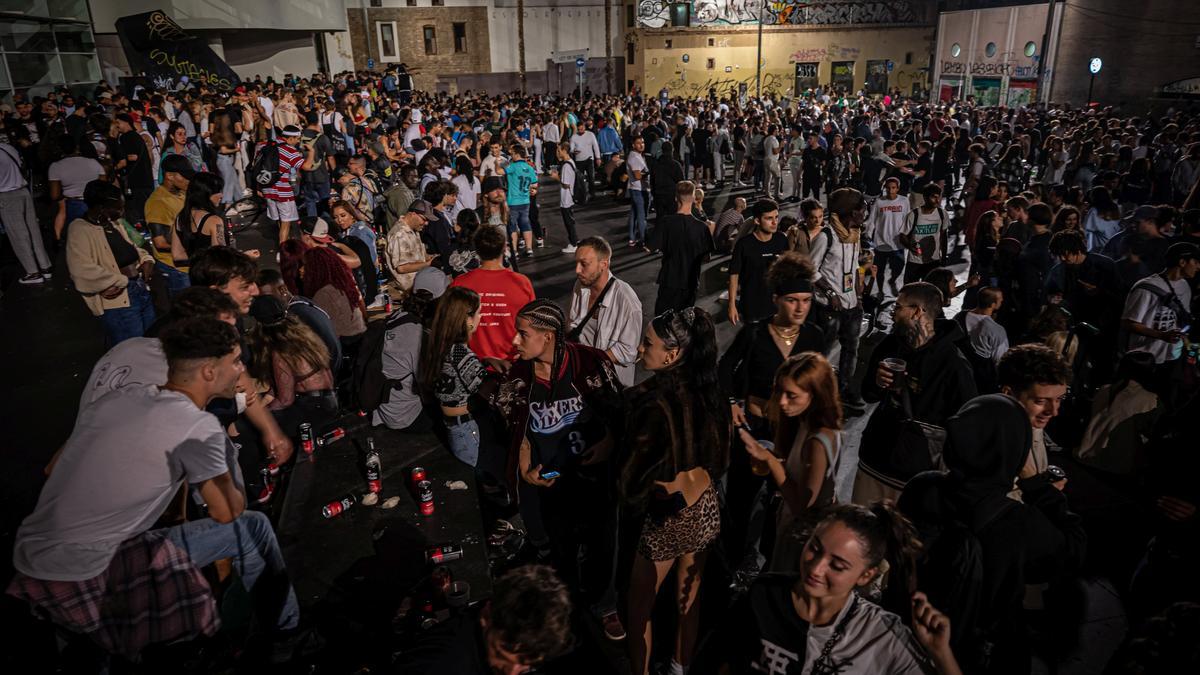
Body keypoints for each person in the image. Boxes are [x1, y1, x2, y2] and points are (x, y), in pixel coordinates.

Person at [11, 318, 304, 660]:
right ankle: (289, 639)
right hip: (86, 573)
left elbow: (54, 467)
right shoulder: (198, 427)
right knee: (252, 528)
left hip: (31, 560)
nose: (242, 371)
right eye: (236, 362)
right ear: (209, 372)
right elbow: (227, 512)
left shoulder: (122, 398)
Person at [899, 395, 1086, 675]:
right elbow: (1073, 550)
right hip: (980, 651)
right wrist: (1038, 486)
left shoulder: (922, 488)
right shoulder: (1019, 523)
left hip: (911, 629)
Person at [492, 300, 625, 642]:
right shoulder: (519, 376)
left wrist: (609, 441)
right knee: (561, 554)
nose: (515, 342)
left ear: (548, 337)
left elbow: (618, 409)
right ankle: (567, 612)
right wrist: (524, 468)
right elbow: (518, 429)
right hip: (552, 487)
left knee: (602, 546)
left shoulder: (589, 362)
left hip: (595, 482)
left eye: (523, 334)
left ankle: (605, 605)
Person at [714, 503, 964, 675]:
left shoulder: (880, 634)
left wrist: (941, 654)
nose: (816, 569)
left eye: (837, 565)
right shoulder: (764, 594)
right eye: (814, 548)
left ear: (866, 575)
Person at [622, 307, 730, 675]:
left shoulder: (653, 404)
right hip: (704, 505)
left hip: (667, 516)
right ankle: (680, 666)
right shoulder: (710, 386)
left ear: (671, 354)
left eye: (647, 343)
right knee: (690, 600)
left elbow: (633, 480)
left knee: (638, 610)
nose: (639, 349)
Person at [854, 282, 977, 503]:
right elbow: (868, 394)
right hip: (875, 459)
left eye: (898, 307)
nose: (892, 313)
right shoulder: (890, 345)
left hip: (916, 474)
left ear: (918, 311)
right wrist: (876, 381)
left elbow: (965, 424)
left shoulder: (953, 364)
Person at [740, 352, 844, 572]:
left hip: (806, 539)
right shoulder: (804, 423)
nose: (782, 401)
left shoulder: (818, 441)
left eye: (792, 395)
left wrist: (771, 462)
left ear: (815, 395)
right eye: (779, 391)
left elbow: (802, 506)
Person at [393, 564, 574, 674]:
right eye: (501, 654)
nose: (511, 672)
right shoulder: (438, 665)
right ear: (487, 615)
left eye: (525, 665)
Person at [65, 181, 156, 345]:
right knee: (131, 350)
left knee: (150, 344)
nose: (121, 212)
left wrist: (147, 260)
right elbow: (81, 271)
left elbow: (134, 248)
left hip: (140, 289)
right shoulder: (79, 229)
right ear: (101, 208)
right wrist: (122, 281)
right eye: (118, 208)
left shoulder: (114, 223)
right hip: (119, 300)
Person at [809, 187, 868, 410]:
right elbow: (811, 270)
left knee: (851, 349)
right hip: (829, 308)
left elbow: (853, 267)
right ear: (852, 212)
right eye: (862, 210)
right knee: (822, 352)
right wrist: (831, 293)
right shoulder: (826, 236)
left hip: (852, 304)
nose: (865, 213)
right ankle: (818, 393)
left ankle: (844, 390)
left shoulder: (854, 235)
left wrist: (859, 296)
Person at [246, 295, 336, 437]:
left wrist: (262, 414)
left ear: (259, 326)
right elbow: (280, 387)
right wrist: (264, 402)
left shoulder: (280, 353)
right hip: (330, 401)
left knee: (258, 428)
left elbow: (285, 400)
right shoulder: (305, 336)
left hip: (313, 408)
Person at [420, 286, 486, 466]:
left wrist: (484, 361)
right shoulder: (462, 354)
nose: (481, 318)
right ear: (468, 321)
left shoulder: (440, 344)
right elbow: (486, 390)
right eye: (479, 313)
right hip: (466, 429)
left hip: (451, 425)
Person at [450, 223, 536, 362]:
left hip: (473, 364)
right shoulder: (521, 283)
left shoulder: (460, 283)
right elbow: (533, 325)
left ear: (476, 250)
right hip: (513, 361)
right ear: (504, 248)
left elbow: (451, 327)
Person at [996, 344, 1072, 500]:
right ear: (1008, 394)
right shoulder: (988, 442)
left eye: (1059, 399)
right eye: (1040, 401)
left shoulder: (1030, 423)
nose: (1054, 411)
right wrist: (1044, 495)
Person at [1120, 241, 1198, 370]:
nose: (1198, 267)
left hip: (1173, 356)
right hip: (1145, 358)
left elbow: (1182, 320)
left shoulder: (1185, 286)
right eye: (1195, 262)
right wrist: (1161, 335)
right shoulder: (1146, 288)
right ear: (1182, 262)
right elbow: (1128, 323)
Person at [257, 268, 341, 371]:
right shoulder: (301, 302)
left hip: (327, 374)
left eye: (267, 298)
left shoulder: (296, 315)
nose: (263, 305)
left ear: (283, 289)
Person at [655, 181, 715, 315]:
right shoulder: (702, 228)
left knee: (662, 322)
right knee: (684, 323)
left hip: (669, 279)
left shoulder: (666, 222)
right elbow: (706, 258)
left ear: (676, 197)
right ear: (694, 198)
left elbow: (655, 247)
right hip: (690, 281)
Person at [730, 198, 789, 325]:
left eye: (776, 217)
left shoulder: (781, 240)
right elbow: (734, 275)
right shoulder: (744, 244)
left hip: (776, 307)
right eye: (769, 218)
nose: (774, 222)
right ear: (757, 220)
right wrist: (732, 305)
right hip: (751, 307)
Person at [302, 245, 366, 342]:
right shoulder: (342, 284)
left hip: (347, 346)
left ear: (316, 268)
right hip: (360, 338)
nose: (301, 269)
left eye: (305, 265)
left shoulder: (324, 294)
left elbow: (326, 333)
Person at [47, 134, 105, 242]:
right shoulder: (93, 163)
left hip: (73, 205)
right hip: (95, 204)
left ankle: (58, 241)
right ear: (76, 147)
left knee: (79, 239)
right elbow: (103, 185)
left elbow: (55, 195)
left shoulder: (56, 166)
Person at [259, 124, 306, 244]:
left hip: (267, 188)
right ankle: (284, 250)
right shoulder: (291, 150)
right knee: (286, 222)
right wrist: (311, 152)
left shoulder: (267, 145)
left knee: (280, 219)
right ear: (290, 138)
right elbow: (306, 166)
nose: (297, 141)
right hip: (282, 190)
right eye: (297, 139)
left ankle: (284, 242)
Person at [171, 171, 228, 268]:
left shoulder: (180, 217)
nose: (221, 195)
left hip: (193, 274)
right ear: (206, 194)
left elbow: (177, 255)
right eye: (218, 191)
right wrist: (243, 257)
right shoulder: (214, 221)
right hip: (212, 277)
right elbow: (220, 257)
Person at [867, 177, 911, 295]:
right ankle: (880, 290)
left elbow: (907, 219)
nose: (891, 191)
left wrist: (908, 235)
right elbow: (872, 220)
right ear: (885, 188)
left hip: (898, 242)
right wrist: (868, 235)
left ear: (898, 189)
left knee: (899, 266)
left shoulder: (904, 201)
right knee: (879, 270)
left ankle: (892, 279)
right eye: (888, 188)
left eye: (893, 188)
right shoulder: (879, 202)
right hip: (881, 242)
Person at [900, 183, 950, 284]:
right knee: (910, 291)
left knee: (930, 292)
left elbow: (944, 236)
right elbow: (903, 236)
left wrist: (943, 257)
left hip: (933, 262)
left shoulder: (942, 214)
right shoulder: (913, 215)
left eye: (939, 197)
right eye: (933, 197)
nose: (937, 200)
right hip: (915, 261)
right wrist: (910, 246)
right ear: (925, 197)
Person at [385, 198, 437, 292]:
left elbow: (417, 258)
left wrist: (431, 258)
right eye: (424, 219)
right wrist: (428, 264)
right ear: (413, 214)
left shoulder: (414, 229)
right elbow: (401, 268)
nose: (426, 223)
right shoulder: (399, 234)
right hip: (408, 290)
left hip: (419, 284)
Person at [505, 144, 539, 255]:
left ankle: (514, 250)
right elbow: (535, 184)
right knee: (525, 224)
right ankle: (529, 249)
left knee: (513, 226)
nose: (511, 156)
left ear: (516, 154)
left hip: (513, 201)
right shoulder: (530, 168)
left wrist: (498, 163)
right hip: (525, 201)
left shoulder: (513, 166)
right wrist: (533, 190)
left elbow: (501, 171)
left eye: (512, 154)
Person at [548, 144, 580, 253]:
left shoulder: (566, 166)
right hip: (569, 197)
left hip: (567, 198)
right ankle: (575, 240)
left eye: (559, 150)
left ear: (564, 151)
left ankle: (573, 244)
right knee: (570, 220)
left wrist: (556, 177)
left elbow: (566, 184)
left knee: (568, 221)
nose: (557, 153)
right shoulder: (571, 162)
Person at [626, 136, 650, 248]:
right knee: (641, 215)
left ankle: (631, 238)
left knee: (634, 214)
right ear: (633, 145)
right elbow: (637, 175)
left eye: (643, 142)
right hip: (638, 190)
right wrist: (649, 173)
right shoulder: (634, 157)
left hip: (635, 188)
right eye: (638, 143)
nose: (641, 144)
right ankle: (644, 239)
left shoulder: (637, 155)